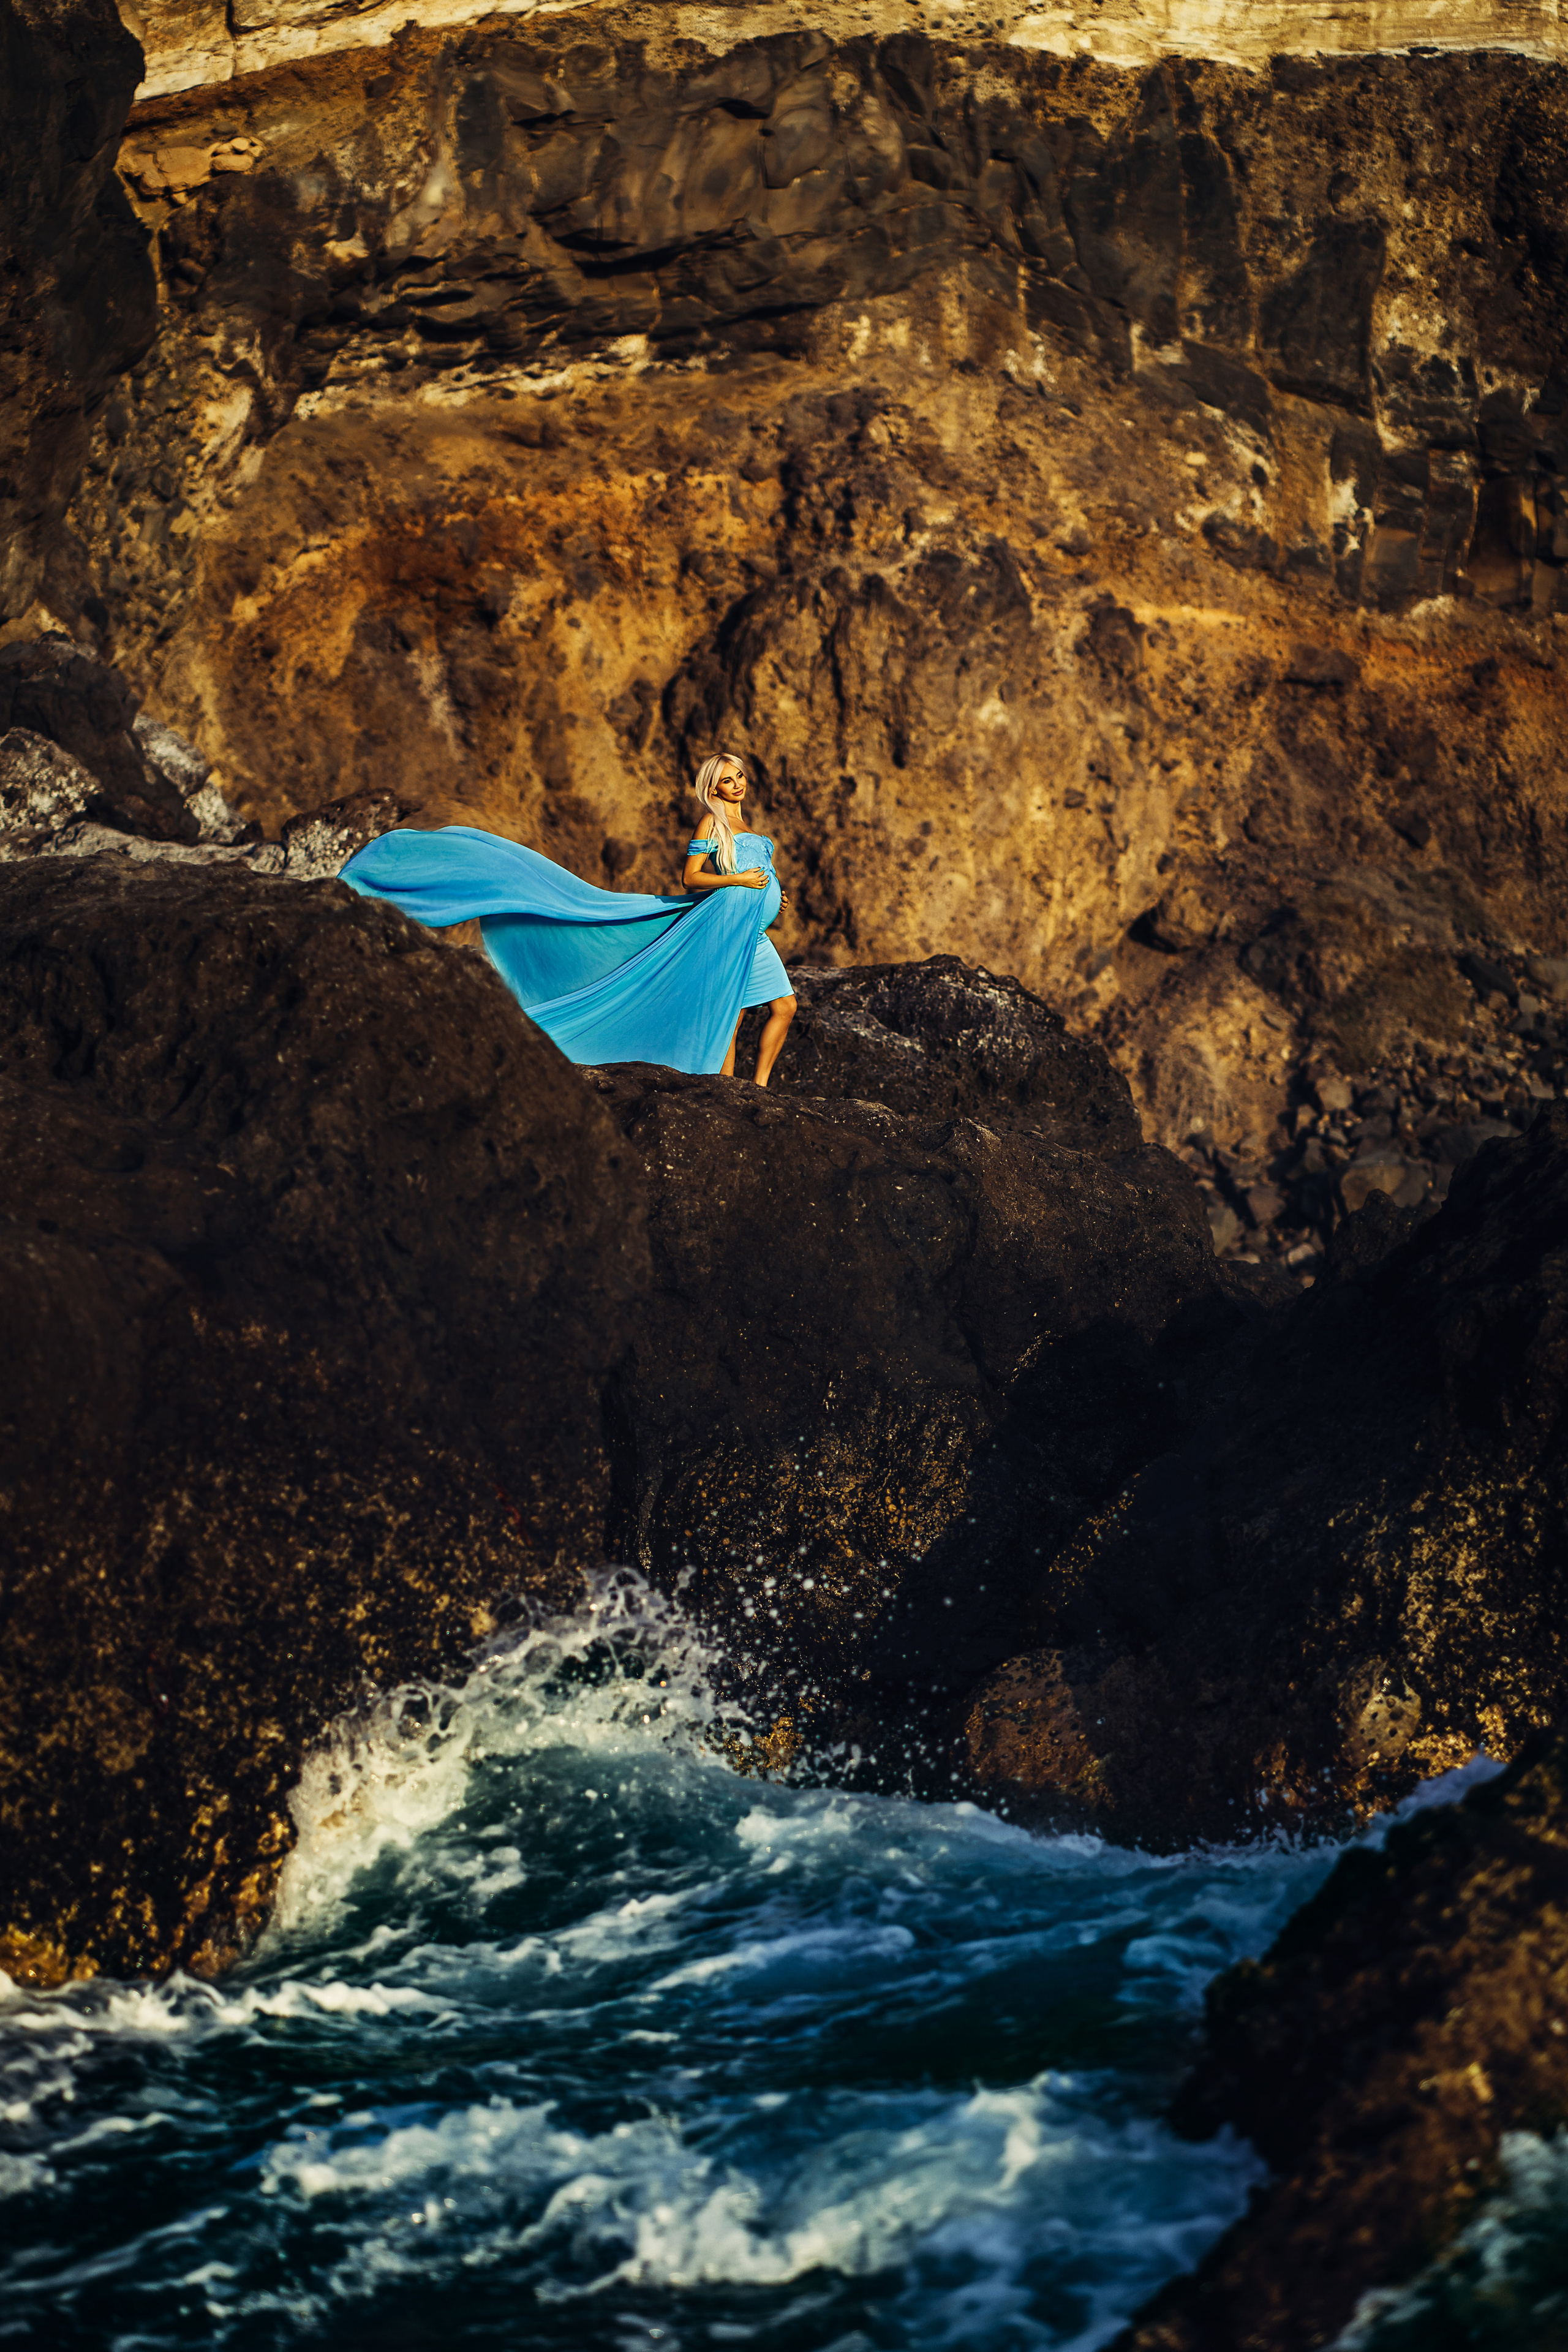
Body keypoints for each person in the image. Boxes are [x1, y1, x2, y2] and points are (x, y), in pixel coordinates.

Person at [337, 751, 797, 1083]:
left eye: (739, 776)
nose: (737, 784)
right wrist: (740, 882)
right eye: (728, 779)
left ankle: (756, 1087)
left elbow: (759, 873)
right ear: (714, 788)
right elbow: (691, 878)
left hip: (751, 930)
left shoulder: (747, 828)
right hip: (724, 927)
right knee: (729, 1014)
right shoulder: (713, 824)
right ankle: (734, 1091)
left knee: (778, 1007)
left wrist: (773, 896)